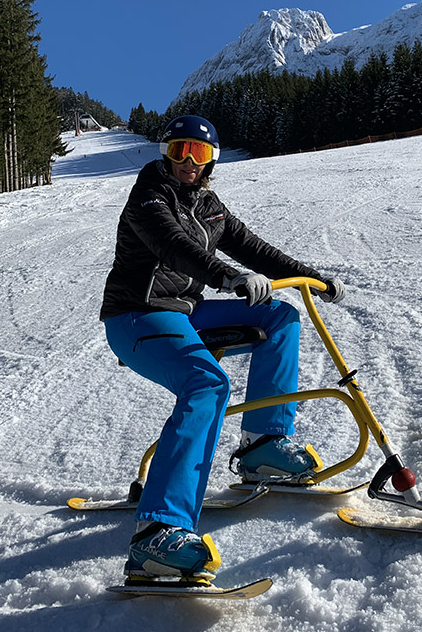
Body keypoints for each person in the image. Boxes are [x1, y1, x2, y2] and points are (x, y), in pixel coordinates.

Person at [99, 115, 346, 583]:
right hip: (136, 314)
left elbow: (252, 247)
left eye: (199, 152)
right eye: (179, 151)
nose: (189, 162)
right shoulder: (149, 196)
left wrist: (311, 276)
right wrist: (227, 277)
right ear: (164, 154)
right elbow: (172, 246)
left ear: (212, 158)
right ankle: (158, 532)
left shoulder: (210, 205)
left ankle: (263, 446)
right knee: (206, 384)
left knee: (279, 316)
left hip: (186, 313)